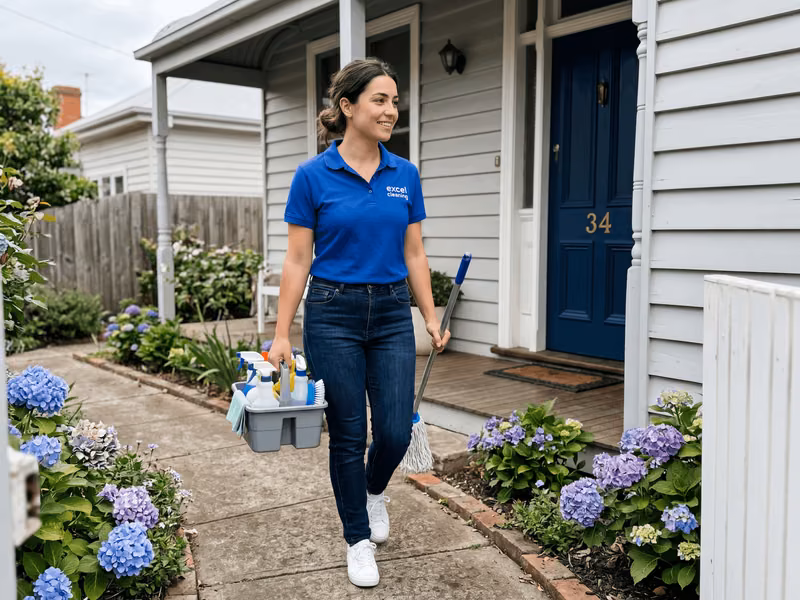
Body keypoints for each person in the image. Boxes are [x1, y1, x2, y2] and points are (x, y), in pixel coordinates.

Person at [267, 58, 450, 588]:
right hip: (332, 313)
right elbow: (298, 260)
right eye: (380, 100)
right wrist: (282, 334)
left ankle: (372, 493)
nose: (391, 110)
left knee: (393, 430)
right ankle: (357, 539)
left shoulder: (404, 175)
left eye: (394, 101)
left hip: (393, 312)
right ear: (347, 107)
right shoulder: (312, 176)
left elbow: (415, 254)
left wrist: (431, 316)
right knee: (347, 434)